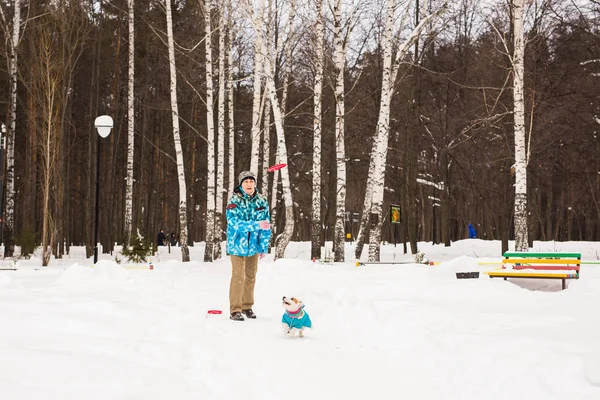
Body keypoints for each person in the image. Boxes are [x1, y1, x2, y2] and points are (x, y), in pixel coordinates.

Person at [226, 171, 271, 321]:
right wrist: (255, 224)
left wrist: (263, 246)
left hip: (253, 246)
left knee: (251, 276)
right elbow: (234, 223)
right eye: (246, 182)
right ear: (241, 184)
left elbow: (265, 225)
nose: (249, 184)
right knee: (238, 276)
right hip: (237, 245)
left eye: (251, 181)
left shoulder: (262, 201)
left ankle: (247, 307)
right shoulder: (234, 201)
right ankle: (235, 310)